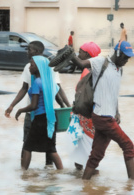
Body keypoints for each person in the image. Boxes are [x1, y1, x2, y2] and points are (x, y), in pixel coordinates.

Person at [70, 41, 134, 180]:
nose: (126, 60)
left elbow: (113, 94)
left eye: (128, 58)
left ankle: (85, 184)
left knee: (96, 155)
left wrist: (117, 112)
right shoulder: (101, 62)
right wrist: (70, 53)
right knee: (129, 147)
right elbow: (81, 64)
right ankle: (132, 186)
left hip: (106, 117)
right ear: (117, 53)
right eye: (124, 57)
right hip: (103, 118)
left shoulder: (119, 69)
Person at [5, 41, 71, 166]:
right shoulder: (35, 68)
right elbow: (55, 90)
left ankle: (25, 175)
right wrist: (12, 105)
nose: (27, 52)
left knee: (28, 146)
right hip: (48, 115)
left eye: (29, 49)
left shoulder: (47, 70)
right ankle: (54, 176)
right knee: (48, 147)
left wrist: (68, 107)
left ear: (35, 51)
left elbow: (57, 89)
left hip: (37, 114)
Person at [15, 55, 63, 170]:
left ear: (39, 67)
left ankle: (23, 174)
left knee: (27, 146)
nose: (29, 68)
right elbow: (59, 98)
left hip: (40, 119)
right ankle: (61, 172)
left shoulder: (36, 82)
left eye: (32, 65)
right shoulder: (49, 82)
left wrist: (20, 110)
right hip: (51, 117)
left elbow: (34, 105)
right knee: (51, 148)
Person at [66, 42, 101, 171]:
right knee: (88, 151)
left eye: (80, 51)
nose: (78, 54)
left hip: (85, 117)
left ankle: (87, 181)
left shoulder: (86, 71)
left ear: (87, 54)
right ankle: (87, 184)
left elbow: (82, 95)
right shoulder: (94, 70)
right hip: (92, 116)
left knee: (84, 152)